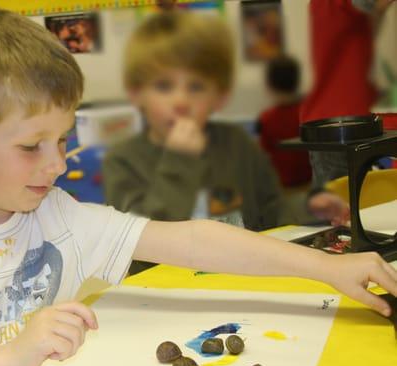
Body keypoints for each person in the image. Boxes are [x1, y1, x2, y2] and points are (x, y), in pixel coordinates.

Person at [0, 6, 396, 366]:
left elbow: (190, 239)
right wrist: (10, 357)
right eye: (31, 146)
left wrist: (325, 267)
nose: (57, 164)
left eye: (64, 139)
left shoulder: (56, 213)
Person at [102, 11, 349, 273]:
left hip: (246, 276)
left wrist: (309, 207)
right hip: (173, 292)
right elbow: (140, 243)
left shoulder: (235, 145)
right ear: (137, 94)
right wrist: (178, 163)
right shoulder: (124, 161)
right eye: (164, 86)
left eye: (196, 87)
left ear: (219, 96)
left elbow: (270, 209)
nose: (181, 101)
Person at [301, 0, 396, 187]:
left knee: (345, 205)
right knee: (343, 207)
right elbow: (375, 5)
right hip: (339, 124)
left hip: (338, 120)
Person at [257, 56, 311, 188]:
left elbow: (262, 160)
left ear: (269, 84)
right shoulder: (309, 112)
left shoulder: (267, 119)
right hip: (312, 185)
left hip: (283, 190)